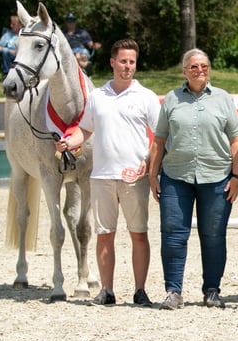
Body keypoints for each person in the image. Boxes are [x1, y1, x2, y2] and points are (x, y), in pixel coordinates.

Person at [55, 39, 161, 307]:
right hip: (101, 175)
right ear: (112, 62)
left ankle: (140, 290)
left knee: (138, 233)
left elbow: (160, 136)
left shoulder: (146, 96)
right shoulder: (97, 96)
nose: (128, 67)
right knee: (105, 234)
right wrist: (70, 141)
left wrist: (147, 164)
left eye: (132, 62)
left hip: (134, 177)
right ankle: (107, 290)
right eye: (123, 61)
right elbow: (85, 129)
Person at [148, 49, 238, 310]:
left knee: (213, 235)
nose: (199, 70)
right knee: (172, 234)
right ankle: (173, 291)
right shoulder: (171, 99)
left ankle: (212, 290)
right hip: (175, 176)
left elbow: (237, 139)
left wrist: (237, 176)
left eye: (203, 66)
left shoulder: (223, 99)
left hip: (216, 177)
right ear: (184, 71)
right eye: (193, 66)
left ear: (209, 69)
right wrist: (152, 174)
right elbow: (159, 140)